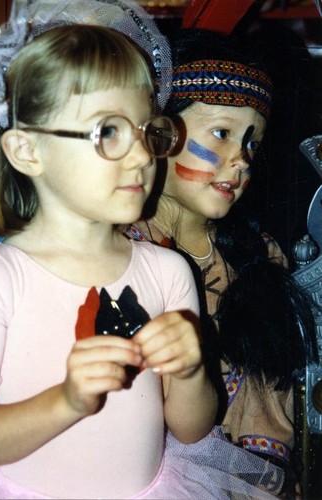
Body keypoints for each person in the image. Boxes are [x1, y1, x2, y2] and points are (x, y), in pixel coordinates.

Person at [0, 3, 220, 498]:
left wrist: (192, 370)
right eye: (108, 131)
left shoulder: (168, 271)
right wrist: (68, 401)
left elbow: (191, 430)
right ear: (27, 151)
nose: (141, 156)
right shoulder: (0, 278)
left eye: (147, 132)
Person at [126, 28, 317, 498]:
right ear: (161, 134)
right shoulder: (119, 253)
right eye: (222, 134)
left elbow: (272, 413)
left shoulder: (258, 254)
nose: (240, 160)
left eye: (252, 142)